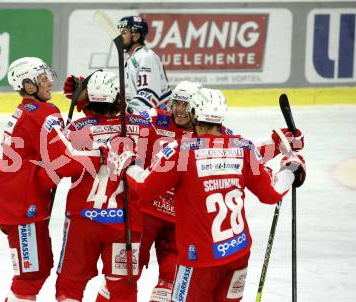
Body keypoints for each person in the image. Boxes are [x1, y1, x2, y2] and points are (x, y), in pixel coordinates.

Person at [114, 87, 306, 301]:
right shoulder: (243, 148)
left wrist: (129, 165)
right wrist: (290, 170)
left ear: (194, 113)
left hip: (200, 260)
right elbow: (271, 194)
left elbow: (144, 189)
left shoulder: (181, 150)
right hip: (238, 254)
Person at [0, 57, 100, 302]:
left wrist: (65, 136)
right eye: (42, 79)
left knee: (36, 268)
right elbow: (67, 161)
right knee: (31, 274)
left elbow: (50, 158)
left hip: (11, 200)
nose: (49, 82)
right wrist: (100, 157)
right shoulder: (44, 113)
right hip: (22, 205)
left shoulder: (28, 110)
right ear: (28, 86)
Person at [55, 70, 158, 302]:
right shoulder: (143, 127)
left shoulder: (75, 129)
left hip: (83, 220)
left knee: (69, 286)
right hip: (124, 222)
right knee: (123, 290)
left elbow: (60, 165)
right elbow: (154, 165)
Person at [117, 15, 172, 113]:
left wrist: (129, 111)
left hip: (157, 122)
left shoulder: (146, 57)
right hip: (143, 118)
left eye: (124, 32)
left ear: (136, 36)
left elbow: (149, 95)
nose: (120, 36)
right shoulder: (133, 59)